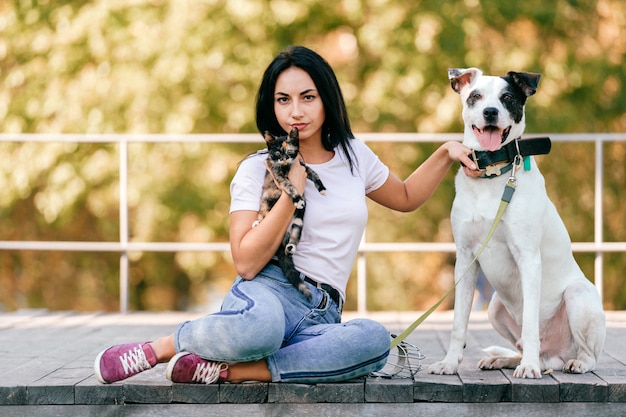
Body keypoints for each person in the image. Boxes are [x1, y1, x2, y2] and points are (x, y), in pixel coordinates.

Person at [94, 45, 480, 385]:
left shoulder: (353, 155)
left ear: (326, 98)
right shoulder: (256, 168)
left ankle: (226, 371)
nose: (296, 112)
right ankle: (159, 348)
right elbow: (245, 263)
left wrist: (447, 151)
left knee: (375, 341)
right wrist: (291, 193)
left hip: (324, 312)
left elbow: (408, 196)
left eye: (307, 97)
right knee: (261, 330)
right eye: (283, 100)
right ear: (271, 105)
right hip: (269, 291)